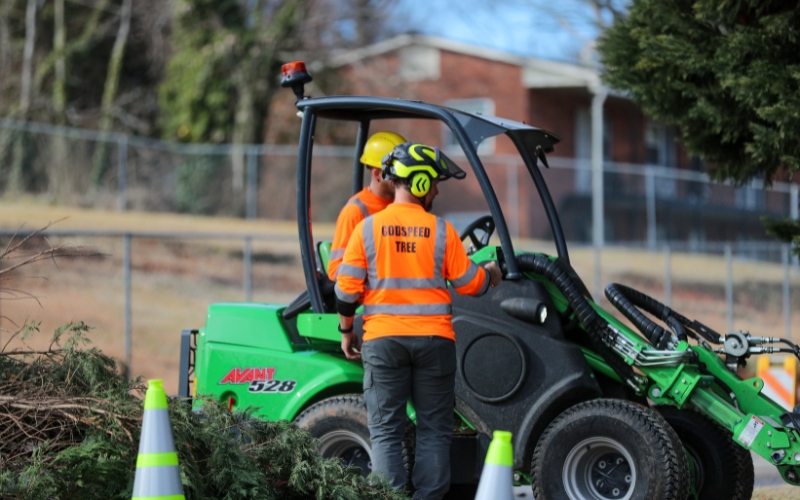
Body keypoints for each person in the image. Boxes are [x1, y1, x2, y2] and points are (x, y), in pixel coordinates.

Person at [335, 142, 503, 500]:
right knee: (434, 431)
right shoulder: (440, 230)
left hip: (383, 343)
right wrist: (492, 272)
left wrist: (347, 330)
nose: (438, 191)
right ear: (421, 183)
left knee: (385, 432)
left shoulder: (367, 229)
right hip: (434, 343)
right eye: (436, 183)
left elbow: (346, 291)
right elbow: (471, 284)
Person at [327, 131, 407, 280]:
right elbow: (336, 272)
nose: (401, 177)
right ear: (377, 174)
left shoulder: (405, 205)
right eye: (395, 172)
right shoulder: (355, 212)